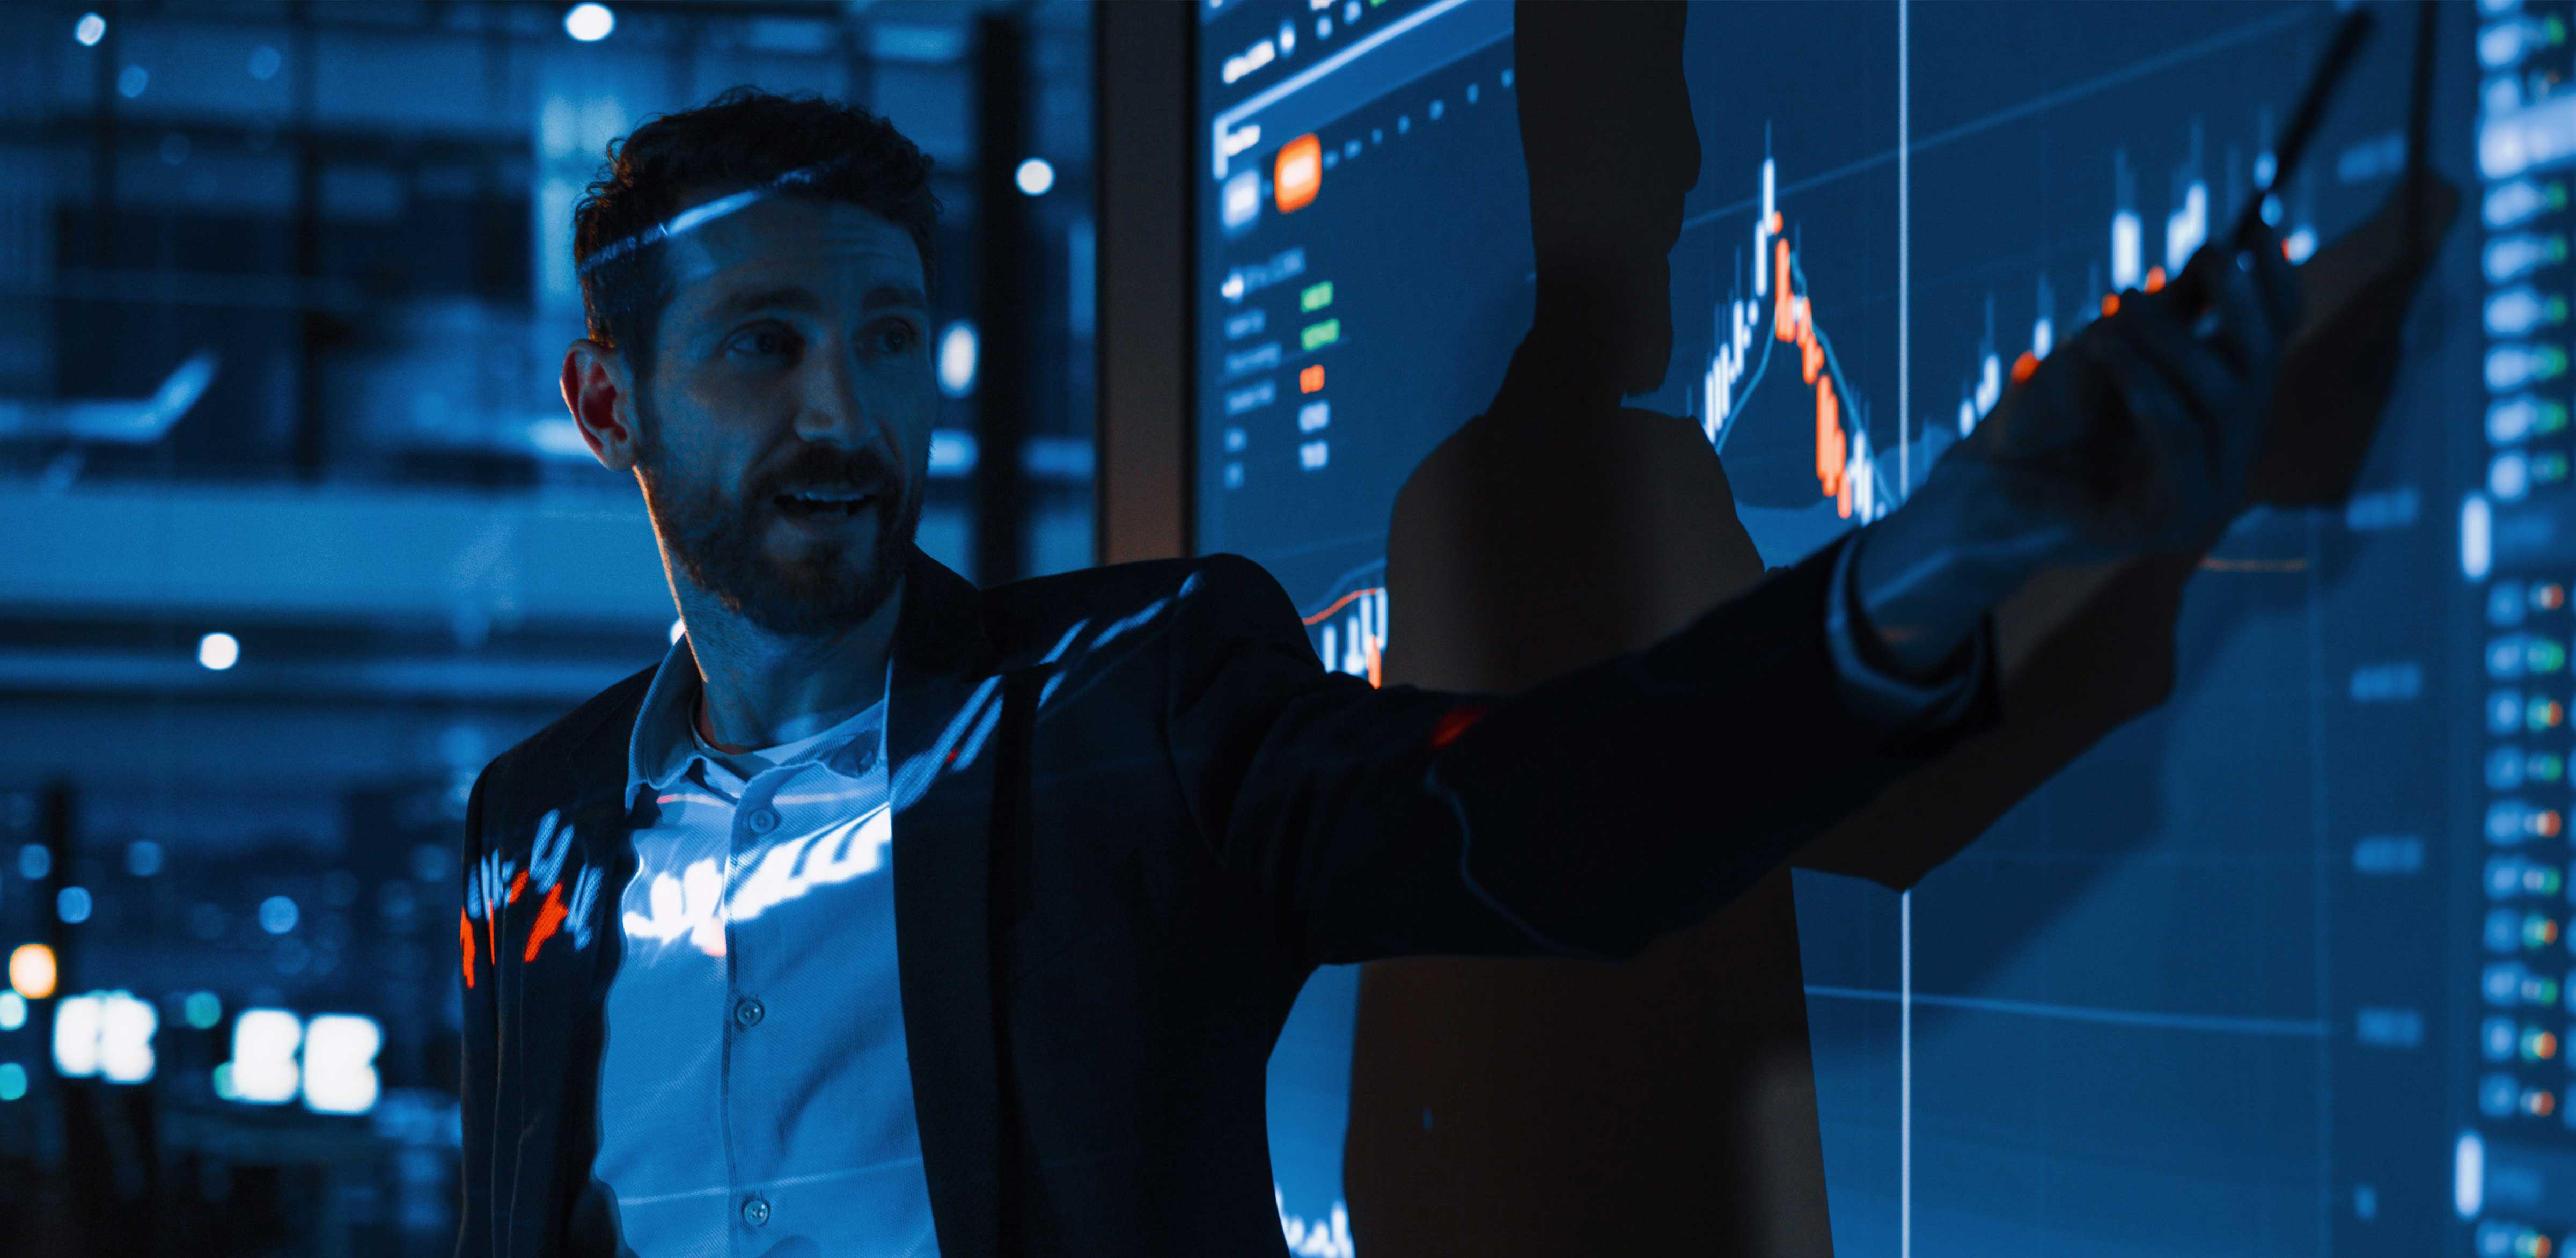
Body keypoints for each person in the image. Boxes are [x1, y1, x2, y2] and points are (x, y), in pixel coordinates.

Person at [460, 75, 2311, 1256]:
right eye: (760, 348)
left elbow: (1552, 819)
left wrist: (1946, 552)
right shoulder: (527, 830)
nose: (842, 412)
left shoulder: (1133, 701)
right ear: (609, 402)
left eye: (884, 335)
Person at [1349, 4, 2458, 1255]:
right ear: (1566, 151)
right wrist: (2180, 525)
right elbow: (1866, 814)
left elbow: (1400, 1060)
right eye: (1654, 106)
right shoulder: (1620, 478)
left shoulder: (1436, 495)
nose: (1692, 161)